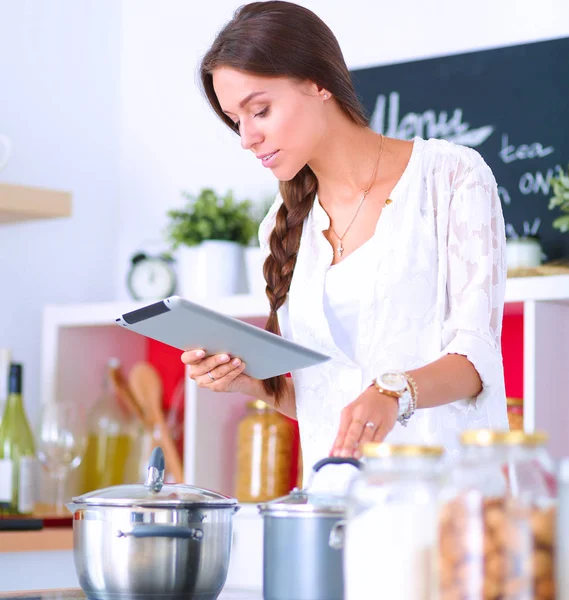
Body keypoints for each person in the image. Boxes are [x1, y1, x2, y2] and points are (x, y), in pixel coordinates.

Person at [182, 1, 509, 482]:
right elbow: (331, 403)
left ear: (319, 83)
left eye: (260, 110)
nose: (247, 138)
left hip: (450, 505)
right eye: (236, 119)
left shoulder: (451, 177)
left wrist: (393, 390)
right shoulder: (280, 224)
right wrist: (255, 386)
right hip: (336, 508)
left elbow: (476, 360)